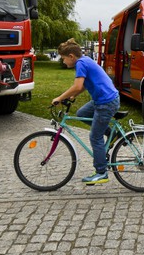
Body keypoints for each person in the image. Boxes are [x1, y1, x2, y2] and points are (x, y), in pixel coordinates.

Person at [52, 38, 121, 185]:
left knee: (95, 137)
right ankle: (111, 133)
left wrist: (59, 97)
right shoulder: (86, 60)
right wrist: (72, 95)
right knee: (81, 114)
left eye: (64, 59)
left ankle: (101, 172)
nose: (63, 62)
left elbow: (77, 86)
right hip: (103, 99)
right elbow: (83, 85)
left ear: (71, 56)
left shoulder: (81, 63)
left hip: (106, 102)